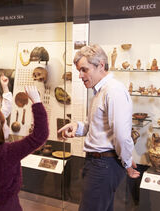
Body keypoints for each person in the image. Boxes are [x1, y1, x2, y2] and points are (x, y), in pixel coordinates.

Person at [58, 44, 140, 211]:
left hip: (104, 165)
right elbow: (94, 126)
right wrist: (76, 126)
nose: (80, 75)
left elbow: (122, 135)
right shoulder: (99, 92)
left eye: (84, 70)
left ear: (101, 65)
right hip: (98, 163)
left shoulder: (114, 91)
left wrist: (127, 164)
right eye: (79, 71)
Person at [0, 86, 48, 211]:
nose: (7, 126)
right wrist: (36, 102)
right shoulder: (8, 152)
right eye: (5, 123)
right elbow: (40, 135)